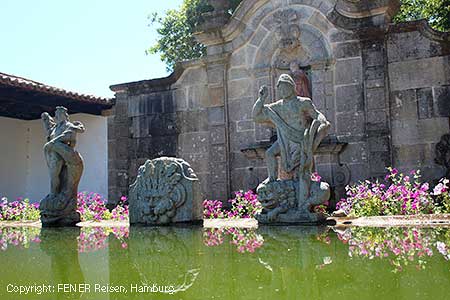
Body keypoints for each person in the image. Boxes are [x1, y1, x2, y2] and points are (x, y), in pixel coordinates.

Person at [252, 74, 330, 204]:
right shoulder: (277, 106)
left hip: (300, 140)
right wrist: (261, 99)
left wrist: (322, 121)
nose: (282, 91)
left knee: (301, 171)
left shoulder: (303, 102)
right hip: (284, 140)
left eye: (284, 88)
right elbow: (256, 116)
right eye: (280, 89)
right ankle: (272, 178)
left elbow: (317, 114)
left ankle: (302, 200)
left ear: (291, 87)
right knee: (269, 153)